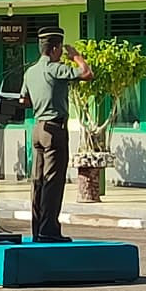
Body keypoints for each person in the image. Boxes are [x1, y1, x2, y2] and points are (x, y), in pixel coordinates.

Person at [19, 27, 93, 241]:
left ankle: (37, 229)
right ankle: (49, 231)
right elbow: (87, 74)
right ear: (54, 49)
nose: (62, 52)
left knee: (38, 181)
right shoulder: (55, 68)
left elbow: (25, 101)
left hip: (38, 128)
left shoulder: (30, 72)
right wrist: (77, 57)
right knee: (53, 181)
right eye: (60, 48)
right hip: (55, 130)